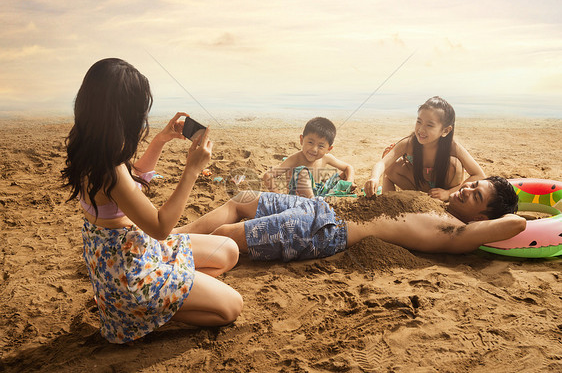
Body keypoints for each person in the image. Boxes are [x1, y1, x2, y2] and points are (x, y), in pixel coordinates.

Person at [61, 58, 242, 344]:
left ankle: (164, 297)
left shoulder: (91, 145)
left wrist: (159, 141)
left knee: (228, 250)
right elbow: (160, 227)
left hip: (131, 252)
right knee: (231, 307)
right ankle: (142, 314)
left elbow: (130, 183)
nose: (143, 119)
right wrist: (192, 169)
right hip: (132, 274)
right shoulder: (109, 168)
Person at [180, 176, 525, 261]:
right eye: (473, 185)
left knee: (228, 232)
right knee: (240, 200)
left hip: (324, 229)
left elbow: (516, 224)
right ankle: (169, 233)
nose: (467, 190)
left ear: (481, 215)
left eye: (476, 196)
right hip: (318, 206)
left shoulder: (455, 232)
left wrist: (514, 214)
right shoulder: (433, 199)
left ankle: (163, 251)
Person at [363, 96, 486, 202]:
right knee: (390, 167)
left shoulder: (453, 147)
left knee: (455, 164)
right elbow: (382, 163)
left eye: (429, 125)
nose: (421, 129)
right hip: (419, 186)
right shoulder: (409, 143)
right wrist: (374, 178)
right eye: (419, 122)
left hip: (444, 189)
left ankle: (445, 198)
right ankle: (388, 201)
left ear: (445, 130)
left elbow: (479, 175)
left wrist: (448, 193)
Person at [262, 117, 355, 198]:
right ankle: (313, 202)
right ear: (301, 140)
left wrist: (349, 182)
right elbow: (268, 175)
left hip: (320, 193)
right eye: (310, 142)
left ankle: (317, 200)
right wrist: (278, 195)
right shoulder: (296, 159)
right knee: (302, 172)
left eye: (321, 146)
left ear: (328, 149)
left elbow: (348, 167)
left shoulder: (326, 158)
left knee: (343, 175)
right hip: (299, 198)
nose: (314, 149)